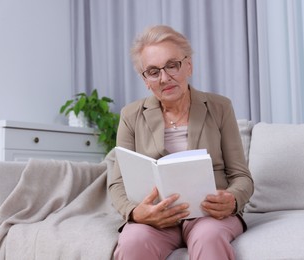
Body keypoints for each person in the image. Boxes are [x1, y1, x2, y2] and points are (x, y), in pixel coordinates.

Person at [108, 25, 254, 260]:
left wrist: (233, 199)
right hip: (157, 219)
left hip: (208, 216)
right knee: (132, 241)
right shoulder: (130, 115)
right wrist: (135, 213)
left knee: (208, 237)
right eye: (153, 71)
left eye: (172, 65)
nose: (165, 78)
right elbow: (117, 184)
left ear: (188, 65)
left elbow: (241, 176)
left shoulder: (220, 107)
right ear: (145, 80)